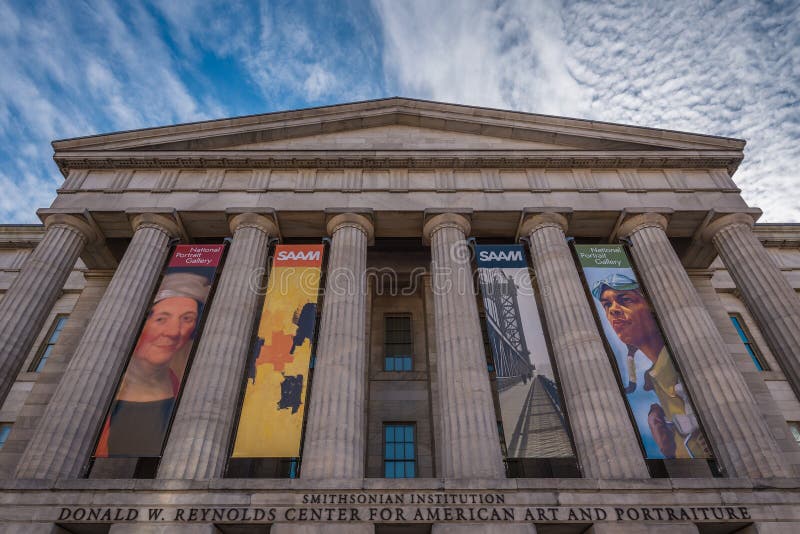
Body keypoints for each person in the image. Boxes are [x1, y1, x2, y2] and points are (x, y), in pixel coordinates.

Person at [592, 273, 709, 459]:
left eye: (625, 300)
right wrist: (670, 447)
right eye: (607, 305)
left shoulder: (677, 368)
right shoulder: (653, 378)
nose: (613, 310)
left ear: (649, 307)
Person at [95, 272, 210, 457]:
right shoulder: (105, 385)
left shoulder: (186, 388)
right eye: (161, 319)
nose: (173, 332)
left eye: (187, 319)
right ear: (141, 321)